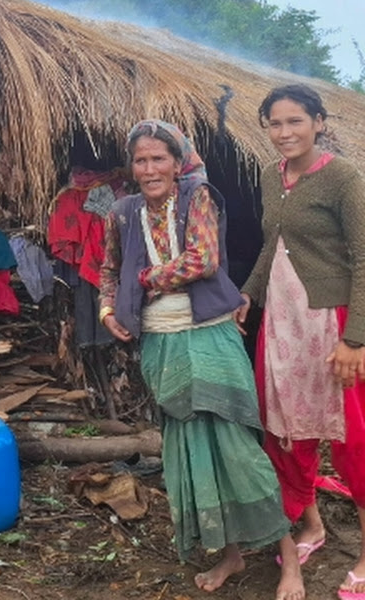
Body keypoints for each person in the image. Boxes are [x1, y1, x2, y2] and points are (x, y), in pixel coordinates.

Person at [99, 119, 303, 600]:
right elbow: (108, 268)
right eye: (141, 160)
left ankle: (289, 558)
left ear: (177, 161)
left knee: (239, 450)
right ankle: (230, 553)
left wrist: (143, 280)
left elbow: (203, 260)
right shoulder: (123, 212)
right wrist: (110, 308)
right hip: (160, 342)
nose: (149, 169)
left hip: (209, 336)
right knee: (191, 454)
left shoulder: (198, 197)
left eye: (158, 159)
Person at [235, 84, 365, 600]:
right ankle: (311, 526)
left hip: (333, 322)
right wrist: (249, 291)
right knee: (287, 426)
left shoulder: (342, 177)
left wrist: (356, 338)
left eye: (295, 121)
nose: (284, 133)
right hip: (284, 321)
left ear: (318, 122)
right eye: (275, 123)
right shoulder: (272, 175)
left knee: (353, 437)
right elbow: (275, 241)